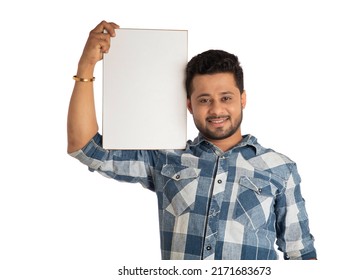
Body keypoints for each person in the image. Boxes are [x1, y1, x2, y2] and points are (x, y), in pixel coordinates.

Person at [67, 20, 317, 260]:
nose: (216, 110)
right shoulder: (165, 158)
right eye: (204, 99)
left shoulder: (281, 169)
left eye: (226, 98)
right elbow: (86, 148)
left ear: (242, 99)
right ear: (189, 105)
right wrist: (86, 66)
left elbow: (300, 253)